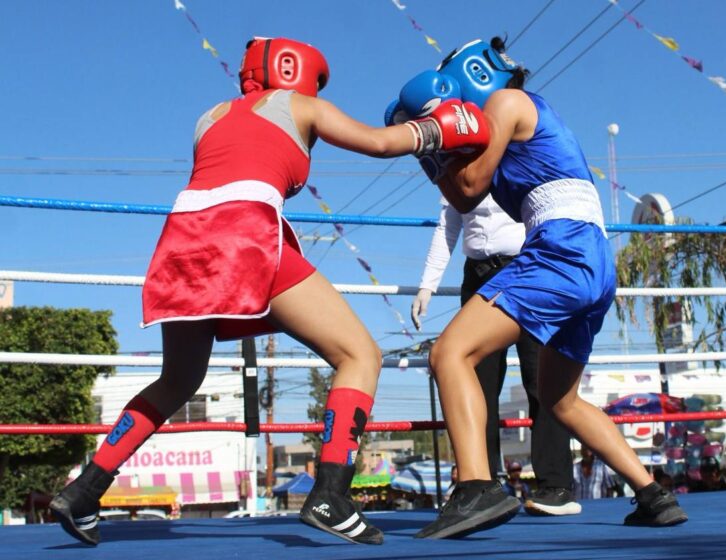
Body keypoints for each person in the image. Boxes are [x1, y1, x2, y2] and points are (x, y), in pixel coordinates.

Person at [48, 36, 490, 547]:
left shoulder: (209, 117)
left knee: (177, 380)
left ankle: (85, 489)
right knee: (359, 354)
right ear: (297, 70)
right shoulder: (302, 105)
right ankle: (330, 494)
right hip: (244, 233)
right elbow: (379, 142)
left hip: (182, 240)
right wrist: (444, 128)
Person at [388, 37, 688, 539]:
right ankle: (653, 494)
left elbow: (466, 188)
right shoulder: (516, 126)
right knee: (559, 398)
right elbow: (464, 199)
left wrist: (427, 138)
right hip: (590, 261)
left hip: (561, 249)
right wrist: (438, 143)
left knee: (449, 354)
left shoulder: (508, 103)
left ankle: (477, 487)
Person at [409, 192, 579, 516]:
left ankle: (556, 486)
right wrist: (426, 286)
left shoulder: (520, 154)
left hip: (528, 270)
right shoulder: (457, 164)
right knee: (475, 383)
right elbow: (448, 226)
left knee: (543, 381)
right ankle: (482, 483)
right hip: (478, 278)